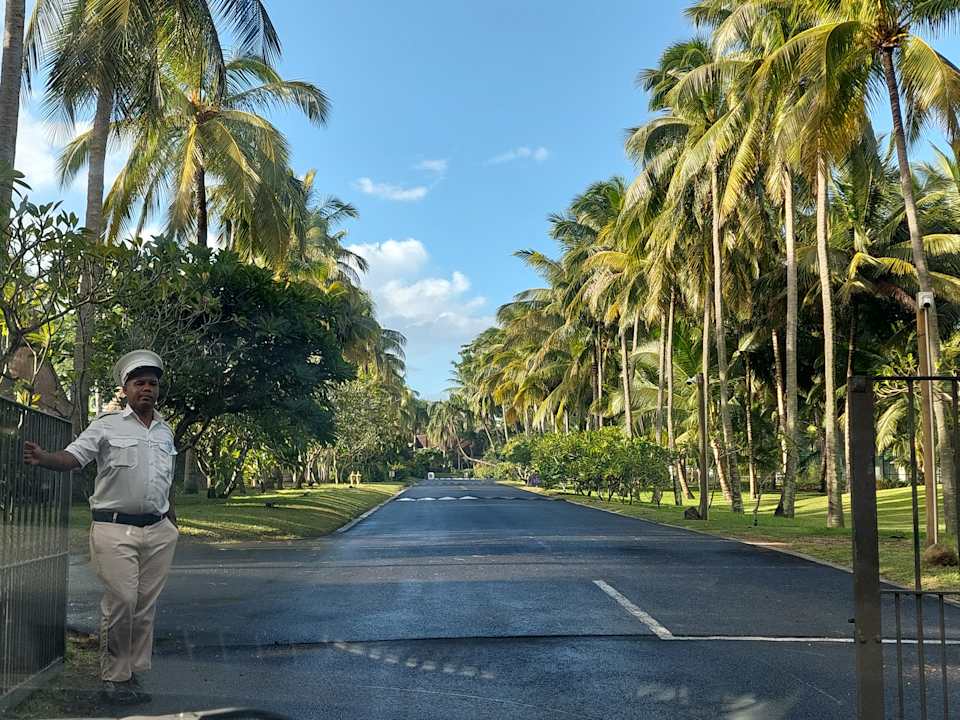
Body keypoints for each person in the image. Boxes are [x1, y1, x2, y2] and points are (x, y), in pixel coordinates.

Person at [23, 349, 179, 706]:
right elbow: (73, 457)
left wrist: (171, 520)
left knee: (144, 606)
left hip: (158, 531)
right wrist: (46, 458)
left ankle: (131, 671)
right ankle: (113, 675)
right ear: (125, 389)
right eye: (139, 383)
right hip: (114, 528)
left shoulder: (165, 431)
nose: (147, 389)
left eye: (152, 384)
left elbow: (162, 480)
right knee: (122, 600)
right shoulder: (106, 426)